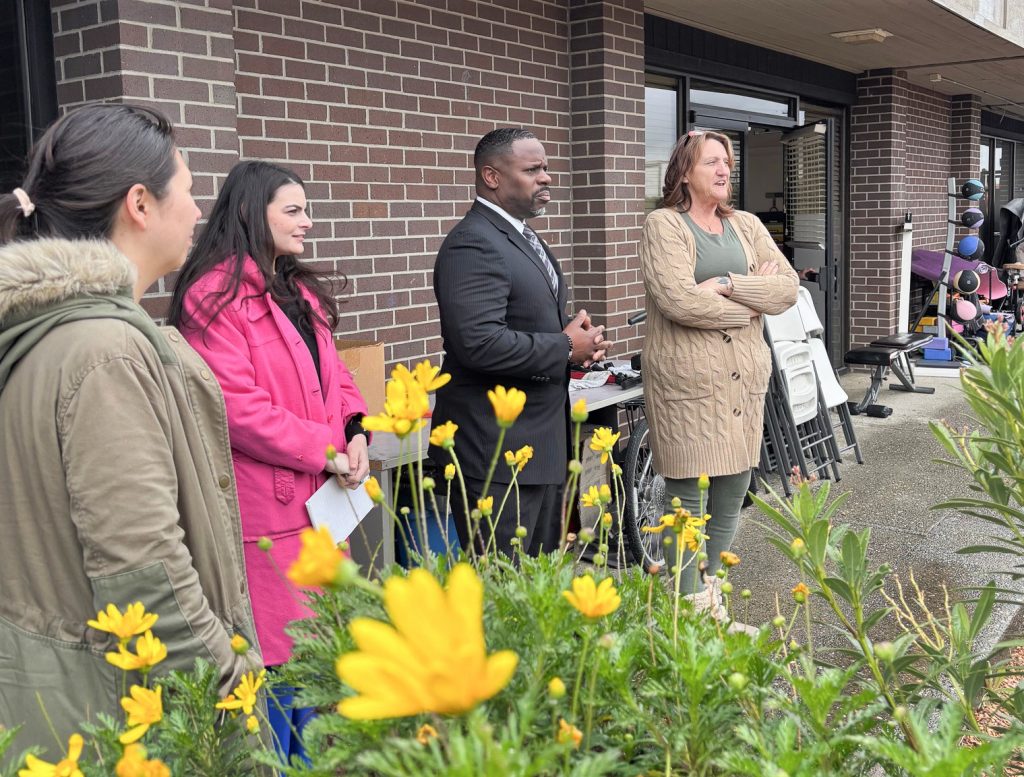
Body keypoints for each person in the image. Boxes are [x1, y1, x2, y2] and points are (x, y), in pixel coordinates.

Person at [0, 104, 261, 757]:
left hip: (58, 704)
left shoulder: (51, 333)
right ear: (139, 204)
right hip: (121, 721)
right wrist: (230, 694)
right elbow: (143, 568)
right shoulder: (104, 350)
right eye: (191, 189)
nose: (200, 211)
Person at [168, 160, 368, 763]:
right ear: (255, 212)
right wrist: (326, 449)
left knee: (319, 670)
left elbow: (337, 382)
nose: (308, 222)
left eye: (307, 209)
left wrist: (358, 430)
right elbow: (234, 407)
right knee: (278, 676)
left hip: (322, 506)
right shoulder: (214, 295)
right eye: (294, 210)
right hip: (269, 512)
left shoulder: (299, 289)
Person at [429, 128, 608, 558]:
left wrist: (576, 341)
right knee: (501, 591)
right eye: (532, 169)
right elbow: (478, 342)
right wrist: (564, 347)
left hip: (538, 447)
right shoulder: (473, 243)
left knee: (535, 588)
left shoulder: (524, 238)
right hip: (494, 455)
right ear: (491, 176)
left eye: (546, 168)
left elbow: (519, 323)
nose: (545, 177)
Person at [638, 129, 799, 596]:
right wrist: (753, 300)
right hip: (687, 382)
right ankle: (686, 602)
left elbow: (787, 290)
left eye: (726, 161)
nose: (724, 169)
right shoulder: (664, 225)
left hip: (744, 378)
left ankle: (711, 593)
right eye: (711, 162)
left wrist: (728, 285)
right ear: (685, 173)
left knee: (735, 485)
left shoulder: (747, 224)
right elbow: (678, 302)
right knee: (686, 492)